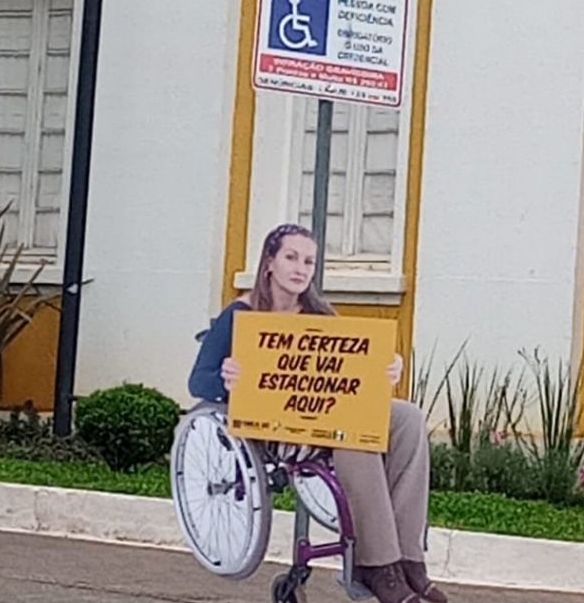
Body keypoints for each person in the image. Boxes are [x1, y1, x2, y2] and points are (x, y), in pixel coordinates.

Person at [187, 223, 445, 603]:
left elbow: (349, 375)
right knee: (354, 438)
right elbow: (199, 381)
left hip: (329, 415)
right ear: (269, 262)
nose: (300, 268)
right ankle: (377, 568)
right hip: (279, 427)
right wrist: (227, 379)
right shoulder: (241, 314)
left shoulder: (321, 316)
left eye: (309, 261)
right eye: (291, 257)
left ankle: (408, 560)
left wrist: (386, 367)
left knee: (406, 418)